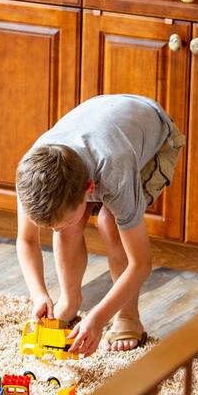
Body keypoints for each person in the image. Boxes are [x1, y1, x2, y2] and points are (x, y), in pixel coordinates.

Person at [14, 94, 185, 355]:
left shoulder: (114, 171)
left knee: (110, 222)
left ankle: (128, 316)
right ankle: (70, 300)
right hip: (103, 124)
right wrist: (38, 294)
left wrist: (98, 318)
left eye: (60, 223)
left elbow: (140, 264)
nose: (55, 232)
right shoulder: (31, 172)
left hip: (153, 133)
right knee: (69, 226)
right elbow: (26, 240)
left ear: (89, 189)